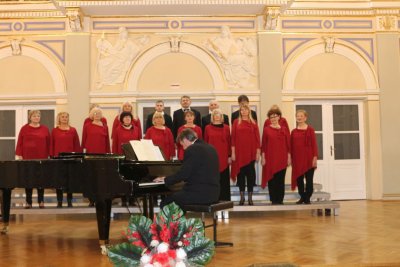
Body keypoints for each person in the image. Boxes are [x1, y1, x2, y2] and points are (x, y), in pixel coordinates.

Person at [153, 128, 220, 211]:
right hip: (213, 194)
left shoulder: (192, 149)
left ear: (185, 139)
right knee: (178, 198)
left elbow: (184, 174)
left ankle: (175, 224)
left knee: (165, 202)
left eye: (182, 145)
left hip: (200, 194)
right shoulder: (211, 148)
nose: (184, 148)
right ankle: (180, 223)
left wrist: (166, 179)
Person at [15, 110, 50, 209]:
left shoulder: (45, 129)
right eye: (34, 116)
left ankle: (41, 201)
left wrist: (48, 155)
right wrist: (20, 155)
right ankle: (28, 202)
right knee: (29, 180)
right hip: (28, 158)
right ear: (30, 117)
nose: (36, 117)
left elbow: (49, 143)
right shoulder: (24, 128)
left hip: (41, 158)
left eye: (38, 116)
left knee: (40, 180)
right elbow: (20, 142)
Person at [231, 104, 260, 206]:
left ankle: (250, 198)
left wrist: (258, 152)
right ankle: (242, 197)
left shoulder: (253, 123)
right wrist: (233, 152)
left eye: (245, 110)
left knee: (251, 175)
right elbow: (233, 138)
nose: (243, 111)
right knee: (241, 176)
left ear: (249, 111)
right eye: (242, 110)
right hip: (239, 153)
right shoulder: (236, 122)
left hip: (251, 152)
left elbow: (257, 139)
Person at [51, 112, 82, 208]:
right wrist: (52, 156)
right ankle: (59, 201)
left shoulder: (73, 130)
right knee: (58, 181)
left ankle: (69, 201)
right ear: (59, 119)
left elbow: (77, 144)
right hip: (58, 159)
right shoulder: (54, 131)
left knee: (70, 181)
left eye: (66, 117)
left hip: (71, 159)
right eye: (62, 117)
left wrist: (78, 157)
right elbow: (51, 144)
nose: (64, 118)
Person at [261, 107, 291, 205]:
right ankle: (273, 199)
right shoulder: (266, 130)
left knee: (280, 180)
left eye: (275, 116)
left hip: (282, 158)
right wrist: (263, 157)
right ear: (269, 119)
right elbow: (264, 145)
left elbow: (288, 145)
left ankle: (280, 199)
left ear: (279, 117)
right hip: (270, 158)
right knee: (272, 180)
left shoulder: (285, 129)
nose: (273, 118)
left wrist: (289, 157)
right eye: (271, 117)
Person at [291, 109, 318, 204]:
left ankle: (307, 197)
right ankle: (302, 196)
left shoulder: (310, 130)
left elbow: (314, 144)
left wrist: (315, 157)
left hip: (309, 159)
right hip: (297, 159)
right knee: (299, 179)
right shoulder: (293, 131)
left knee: (309, 179)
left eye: (301, 116)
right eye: (297, 116)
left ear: (305, 118)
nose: (299, 117)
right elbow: (291, 146)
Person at [204, 109, 231, 201]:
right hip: (211, 157)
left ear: (221, 116)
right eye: (215, 114)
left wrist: (229, 156)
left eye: (218, 114)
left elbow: (229, 142)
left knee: (223, 180)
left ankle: (225, 199)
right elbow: (205, 143)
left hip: (224, 156)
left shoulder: (227, 128)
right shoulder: (207, 128)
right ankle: (212, 199)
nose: (216, 115)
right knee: (213, 180)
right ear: (212, 116)